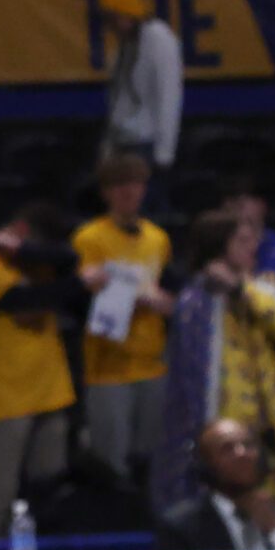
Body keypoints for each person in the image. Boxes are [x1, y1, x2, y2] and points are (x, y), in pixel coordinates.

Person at [153, 208, 275, 512]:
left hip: (270, 433)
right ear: (219, 246)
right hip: (220, 435)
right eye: (241, 241)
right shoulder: (195, 303)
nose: (253, 246)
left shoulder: (259, 292)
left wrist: (241, 290)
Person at [0, 204, 82, 538]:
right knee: (1, 488)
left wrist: (26, 250)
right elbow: (18, 300)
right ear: (24, 228)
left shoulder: (38, 260)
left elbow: (72, 259)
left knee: (50, 487)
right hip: (6, 391)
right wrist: (78, 283)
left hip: (51, 388)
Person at [74, 153, 175, 486]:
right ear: (106, 192)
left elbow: (166, 290)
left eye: (134, 184)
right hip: (108, 365)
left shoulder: (158, 238)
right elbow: (80, 291)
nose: (128, 192)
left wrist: (162, 302)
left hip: (151, 362)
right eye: (119, 186)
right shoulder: (90, 237)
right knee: (111, 464)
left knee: (151, 459)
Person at [153, 417, 275, 550]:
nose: (242, 453)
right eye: (227, 448)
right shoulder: (181, 528)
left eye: (248, 445)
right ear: (205, 465)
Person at [96, 0, 181, 208]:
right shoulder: (125, 46)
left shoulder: (159, 39)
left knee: (146, 213)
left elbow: (169, 96)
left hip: (146, 144)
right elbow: (118, 98)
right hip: (122, 141)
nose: (112, 26)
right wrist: (108, 147)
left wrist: (164, 153)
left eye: (115, 19)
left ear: (128, 14)